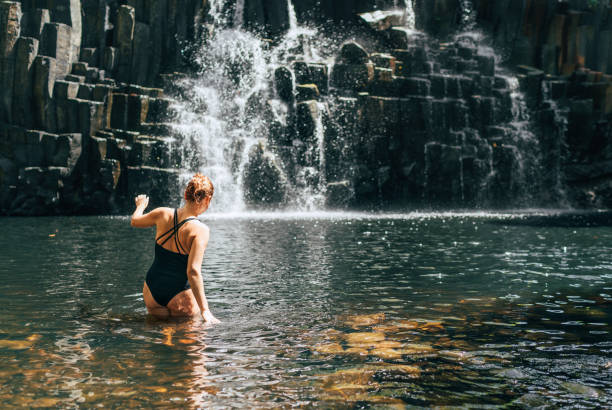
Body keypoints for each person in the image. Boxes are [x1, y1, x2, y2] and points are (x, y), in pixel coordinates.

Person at [130, 174, 220, 324]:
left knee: (157, 336)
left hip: (152, 290)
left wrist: (140, 206)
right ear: (207, 200)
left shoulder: (162, 213)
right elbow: (193, 271)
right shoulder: (200, 230)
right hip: (180, 296)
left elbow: (135, 221)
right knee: (195, 344)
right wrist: (205, 310)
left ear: (185, 194)